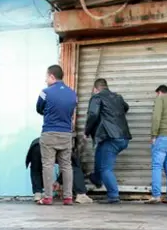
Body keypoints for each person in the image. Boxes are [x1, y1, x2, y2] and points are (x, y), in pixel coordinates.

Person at [36, 65, 77, 206]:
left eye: (46, 77)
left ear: (52, 76)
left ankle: (48, 197)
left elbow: (39, 109)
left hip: (49, 133)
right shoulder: (72, 93)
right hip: (66, 133)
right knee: (66, 165)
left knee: (47, 165)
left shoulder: (45, 92)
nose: (45, 80)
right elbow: (71, 111)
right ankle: (68, 197)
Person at [85, 78, 131, 204]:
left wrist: (86, 132)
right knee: (99, 155)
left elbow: (93, 115)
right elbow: (126, 108)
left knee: (106, 168)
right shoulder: (118, 97)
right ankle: (97, 178)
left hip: (110, 137)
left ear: (95, 89)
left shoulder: (97, 97)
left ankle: (113, 196)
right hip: (123, 137)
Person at [25, 137, 93, 204]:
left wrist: (58, 181)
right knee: (72, 166)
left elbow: (35, 169)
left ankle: (38, 194)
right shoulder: (65, 138)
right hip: (60, 143)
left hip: (37, 145)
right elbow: (69, 168)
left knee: (35, 168)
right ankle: (81, 195)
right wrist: (59, 181)